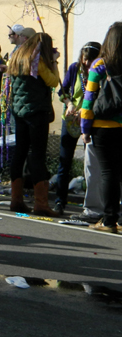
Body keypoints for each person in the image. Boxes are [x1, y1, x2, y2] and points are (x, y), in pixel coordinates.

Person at [7, 32, 61, 217]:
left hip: (19, 112)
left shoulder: (16, 58)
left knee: (19, 153)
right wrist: (54, 62)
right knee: (37, 155)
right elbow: (53, 81)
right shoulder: (37, 62)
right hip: (36, 112)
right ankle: (41, 203)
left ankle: (16, 200)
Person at [80, 23, 122, 232]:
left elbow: (88, 101)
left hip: (103, 127)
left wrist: (85, 128)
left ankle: (109, 220)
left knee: (108, 173)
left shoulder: (99, 65)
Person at [54, 42, 101, 215]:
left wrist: (85, 111)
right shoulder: (75, 69)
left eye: (91, 60)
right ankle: (60, 201)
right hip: (71, 121)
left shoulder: (100, 71)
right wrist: (69, 104)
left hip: (89, 122)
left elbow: (99, 97)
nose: (87, 63)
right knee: (64, 162)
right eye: (85, 59)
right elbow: (63, 91)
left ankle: (92, 204)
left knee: (91, 166)